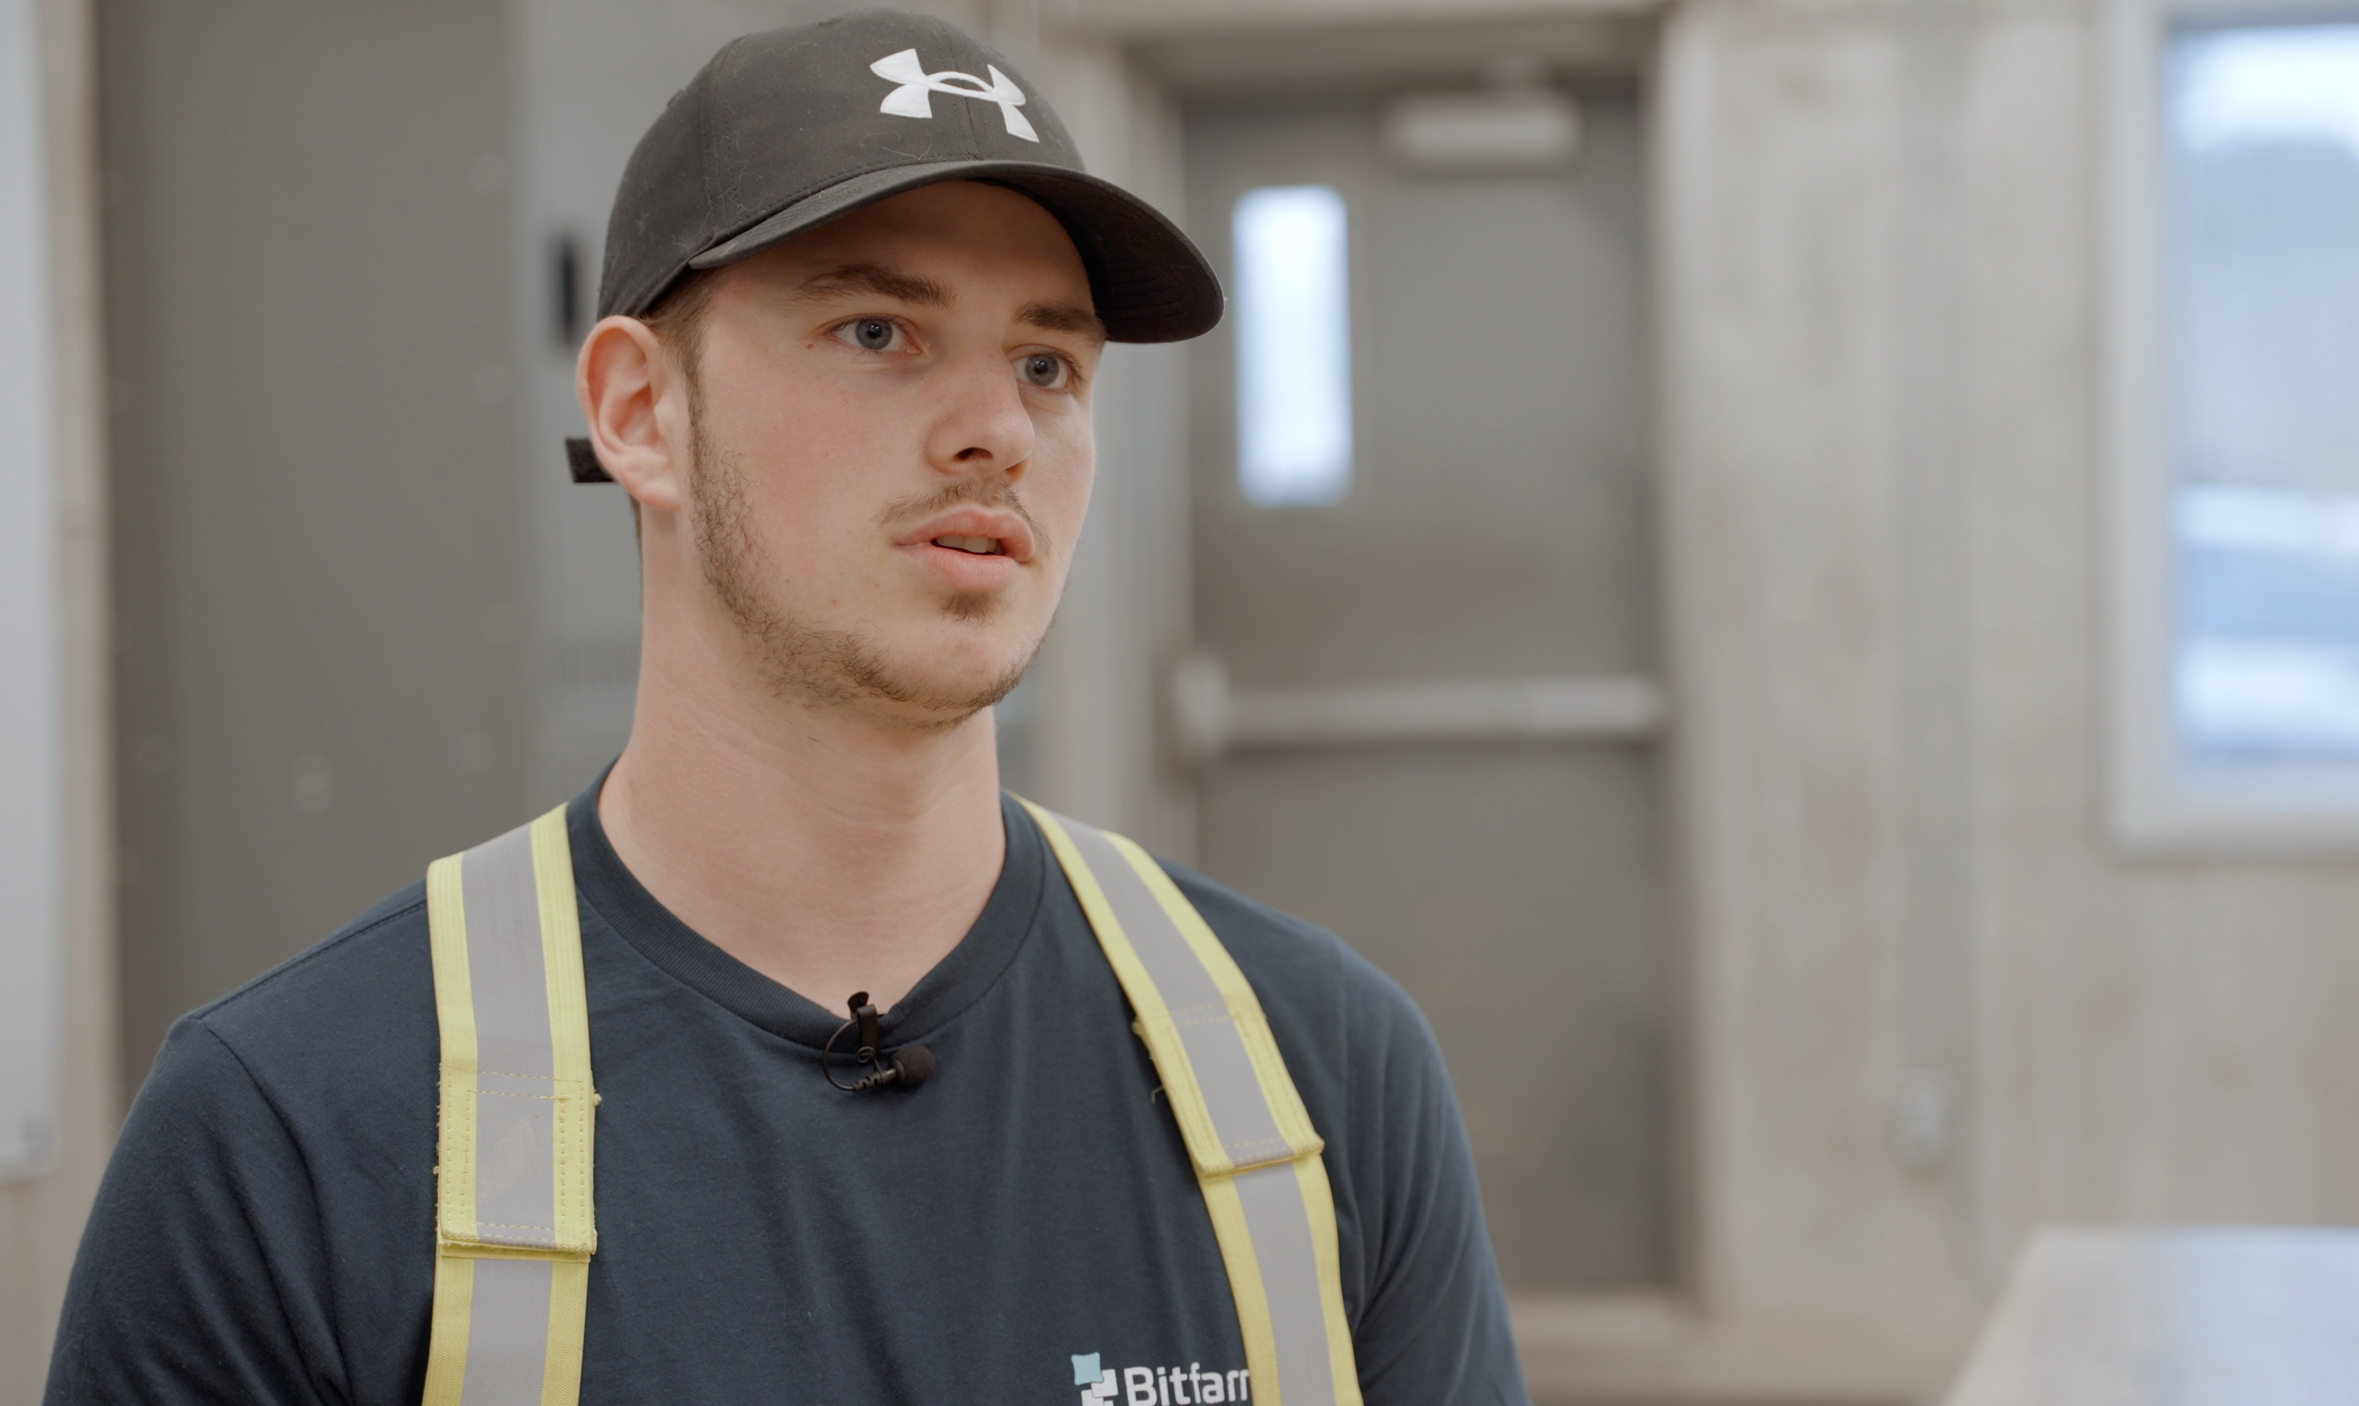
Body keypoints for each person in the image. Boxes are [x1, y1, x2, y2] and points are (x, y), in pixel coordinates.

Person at [47, 11, 1524, 1405]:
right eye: (878, 331)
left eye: (1047, 361)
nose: (1000, 428)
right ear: (640, 413)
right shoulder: (296, 1131)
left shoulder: (1318, 1074)